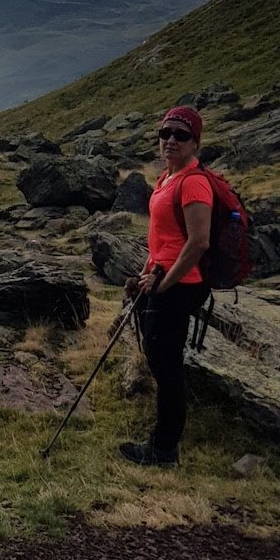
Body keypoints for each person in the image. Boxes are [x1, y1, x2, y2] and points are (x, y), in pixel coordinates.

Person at [118, 104, 212, 469]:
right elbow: (164, 237)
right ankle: (163, 436)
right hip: (159, 279)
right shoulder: (167, 177)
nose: (171, 140)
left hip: (180, 285)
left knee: (167, 366)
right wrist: (147, 272)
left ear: (195, 142)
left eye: (181, 135)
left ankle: (164, 449)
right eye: (165, 133)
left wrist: (164, 283)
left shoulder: (194, 183)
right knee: (159, 360)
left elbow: (199, 242)